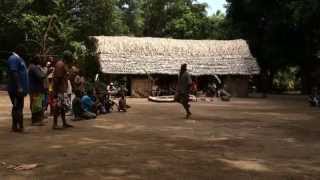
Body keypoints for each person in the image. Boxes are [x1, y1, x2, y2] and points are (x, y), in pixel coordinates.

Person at [7, 46, 29, 132]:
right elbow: (14, 72)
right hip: (16, 89)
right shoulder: (13, 58)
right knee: (18, 107)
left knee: (16, 107)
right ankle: (21, 127)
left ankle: (15, 126)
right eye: (24, 51)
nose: (25, 53)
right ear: (19, 50)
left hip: (18, 89)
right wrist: (19, 86)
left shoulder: (18, 59)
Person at [52, 51, 74, 129]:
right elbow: (57, 79)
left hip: (62, 90)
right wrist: (56, 91)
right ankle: (55, 124)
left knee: (61, 107)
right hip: (59, 90)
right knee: (57, 107)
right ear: (67, 57)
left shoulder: (63, 64)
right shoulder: (60, 65)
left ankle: (64, 123)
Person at [28, 56, 46, 126]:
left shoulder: (32, 67)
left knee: (36, 104)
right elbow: (40, 76)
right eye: (39, 59)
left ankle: (37, 120)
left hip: (34, 89)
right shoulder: (34, 67)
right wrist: (47, 73)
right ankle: (35, 121)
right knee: (36, 105)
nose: (40, 61)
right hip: (36, 89)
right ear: (35, 60)